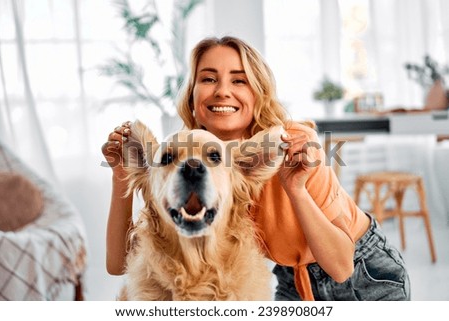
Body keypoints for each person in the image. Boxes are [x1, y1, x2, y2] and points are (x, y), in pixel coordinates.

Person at [102, 36, 410, 301]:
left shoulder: (293, 144)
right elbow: (119, 265)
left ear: (258, 93)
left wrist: (296, 189)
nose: (222, 91)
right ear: (192, 96)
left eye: (239, 80)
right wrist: (122, 175)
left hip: (364, 274)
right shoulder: (178, 160)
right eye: (209, 78)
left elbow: (342, 267)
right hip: (292, 280)